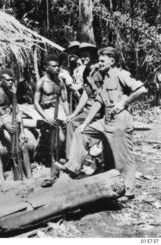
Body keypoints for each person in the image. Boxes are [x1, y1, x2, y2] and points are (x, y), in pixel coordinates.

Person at [56, 47, 147, 201]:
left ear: (112, 61)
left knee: (123, 158)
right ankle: (73, 168)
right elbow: (98, 102)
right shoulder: (104, 77)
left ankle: (128, 191)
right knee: (81, 132)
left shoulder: (121, 74)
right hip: (106, 120)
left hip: (120, 122)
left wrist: (125, 101)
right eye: (99, 60)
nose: (99, 63)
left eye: (103, 61)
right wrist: (84, 123)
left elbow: (141, 90)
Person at [34, 55, 70, 185]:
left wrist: (68, 115)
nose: (57, 68)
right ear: (46, 68)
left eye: (58, 66)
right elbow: (36, 103)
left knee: (64, 137)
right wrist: (46, 117)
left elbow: (64, 100)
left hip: (58, 110)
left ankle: (61, 159)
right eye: (53, 66)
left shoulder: (60, 82)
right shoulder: (41, 82)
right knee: (58, 138)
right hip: (46, 112)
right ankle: (53, 160)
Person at [0, 68, 31, 178]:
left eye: (12, 80)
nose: (11, 82)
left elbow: (17, 112)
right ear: (1, 80)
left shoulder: (12, 93)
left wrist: (22, 131)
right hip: (1, 120)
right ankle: (18, 172)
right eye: (8, 80)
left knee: (23, 144)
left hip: (11, 118)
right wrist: (5, 125)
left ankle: (29, 175)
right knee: (14, 144)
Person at [65, 42, 103, 158]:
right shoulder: (86, 71)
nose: (84, 58)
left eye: (86, 55)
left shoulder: (99, 71)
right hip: (88, 110)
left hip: (99, 111)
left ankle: (87, 156)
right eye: (81, 56)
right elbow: (86, 94)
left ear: (92, 55)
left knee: (84, 131)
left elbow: (102, 98)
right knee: (71, 123)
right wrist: (74, 114)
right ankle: (70, 158)